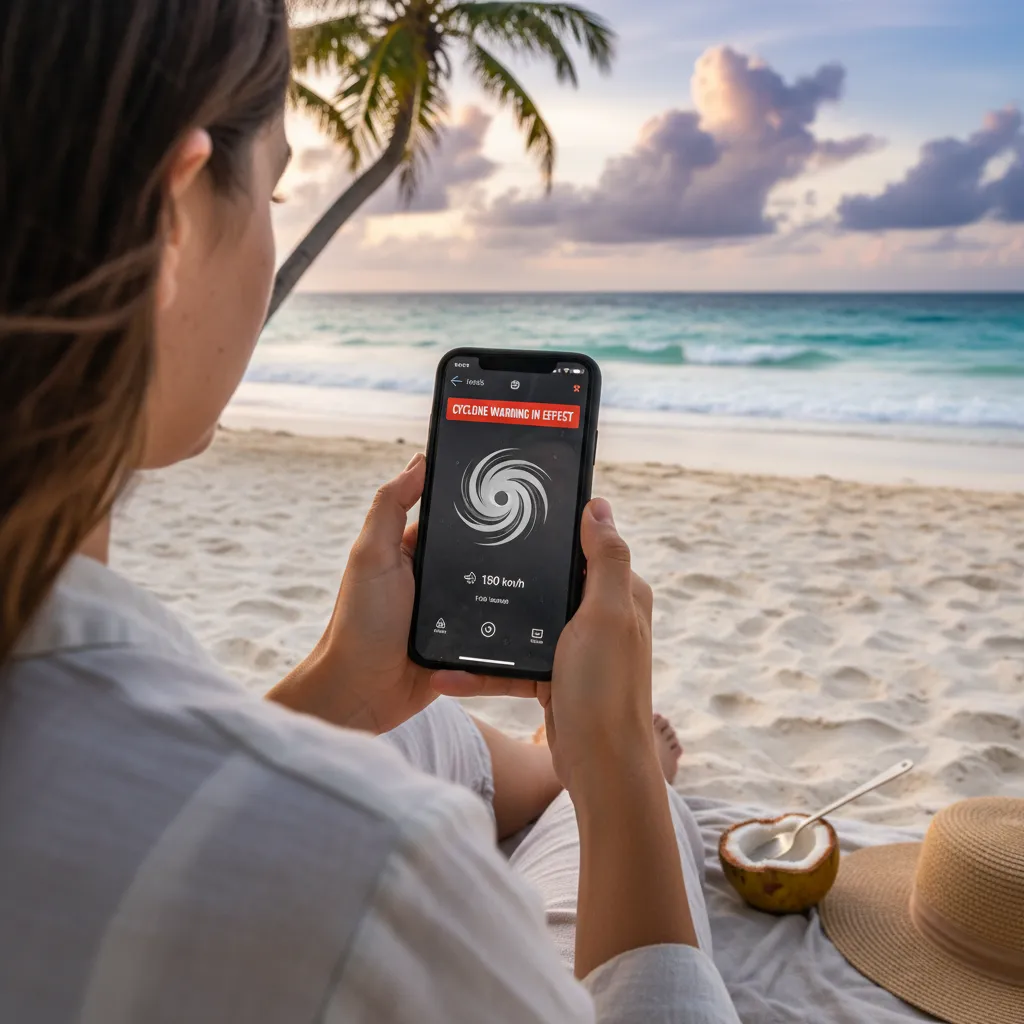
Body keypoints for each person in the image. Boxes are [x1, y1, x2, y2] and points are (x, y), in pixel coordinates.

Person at [0, 1, 739, 1021]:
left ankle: (532, 769)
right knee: (601, 810)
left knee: (424, 728)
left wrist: (337, 693)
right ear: (175, 216)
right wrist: (616, 779)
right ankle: (586, 782)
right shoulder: (378, 874)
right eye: (273, 189)